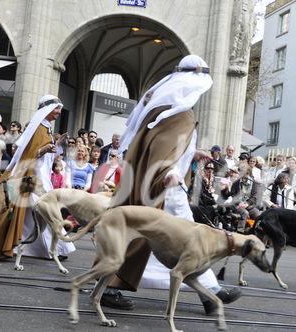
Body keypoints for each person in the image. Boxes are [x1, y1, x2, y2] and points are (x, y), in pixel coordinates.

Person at [105, 55, 241, 314]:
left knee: (153, 238)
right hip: (166, 188)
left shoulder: (163, 107)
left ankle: (210, 294)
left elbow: (164, 146)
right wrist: (168, 170)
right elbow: (162, 151)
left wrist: (193, 153)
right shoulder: (178, 113)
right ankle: (211, 294)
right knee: (185, 240)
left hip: (159, 184)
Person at [0, 95, 75, 259]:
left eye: (59, 108)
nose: (59, 112)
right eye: (57, 108)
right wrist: (46, 149)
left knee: (35, 213)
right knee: (34, 211)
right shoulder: (38, 128)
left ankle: (48, 248)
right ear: (47, 109)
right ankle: (36, 247)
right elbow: (30, 154)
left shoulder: (45, 127)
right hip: (29, 175)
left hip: (39, 175)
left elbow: (43, 154)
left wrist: (55, 146)